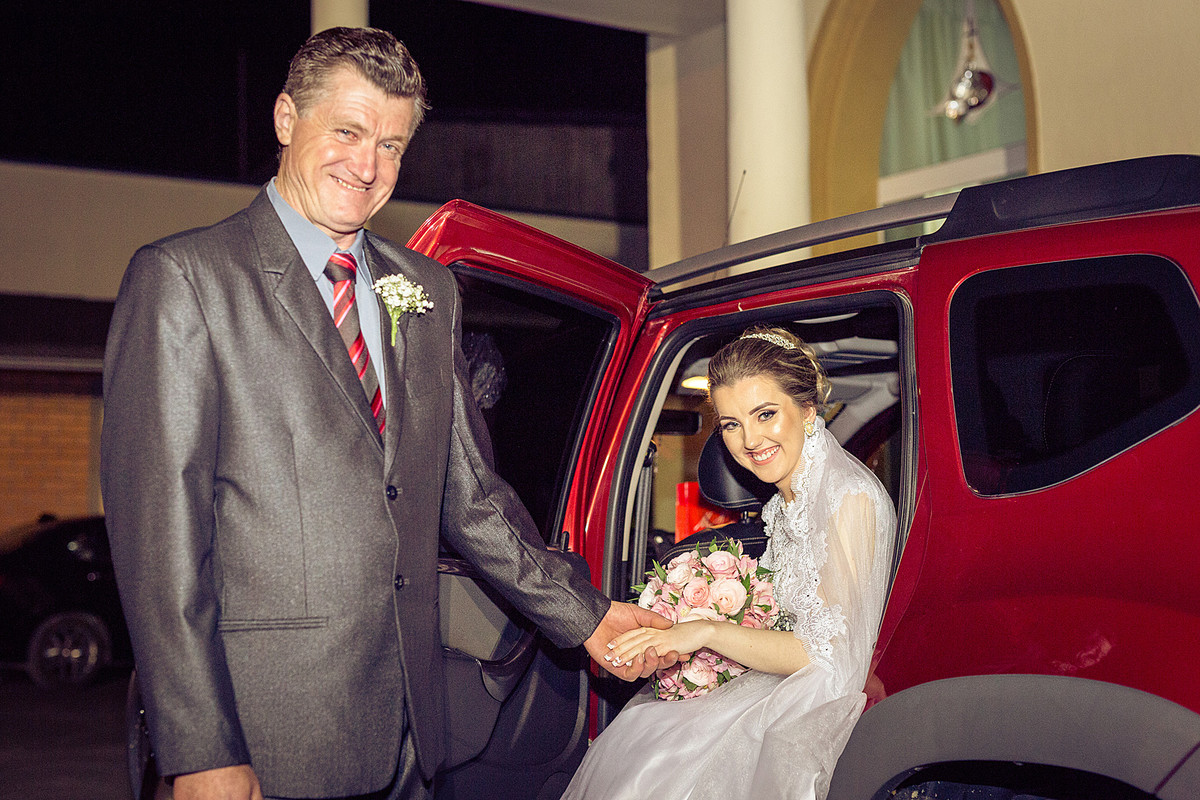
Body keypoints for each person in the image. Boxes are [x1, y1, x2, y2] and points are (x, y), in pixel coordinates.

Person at [99, 27, 673, 800]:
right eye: (348, 131)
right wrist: (199, 750)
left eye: (393, 145)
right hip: (267, 736)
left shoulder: (426, 290)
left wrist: (590, 617)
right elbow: (159, 543)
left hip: (411, 728)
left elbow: (469, 497)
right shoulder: (187, 280)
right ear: (283, 119)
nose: (368, 167)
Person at [563, 326, 897, 800]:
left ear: (807, 410)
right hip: (783, 682)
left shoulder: (850, 498)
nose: (749, 439)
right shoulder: (783, 504)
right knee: (652, 744)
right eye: (731, 424)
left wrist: (706, 630)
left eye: (765, 414)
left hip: (817, 698)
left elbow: (831, 658)